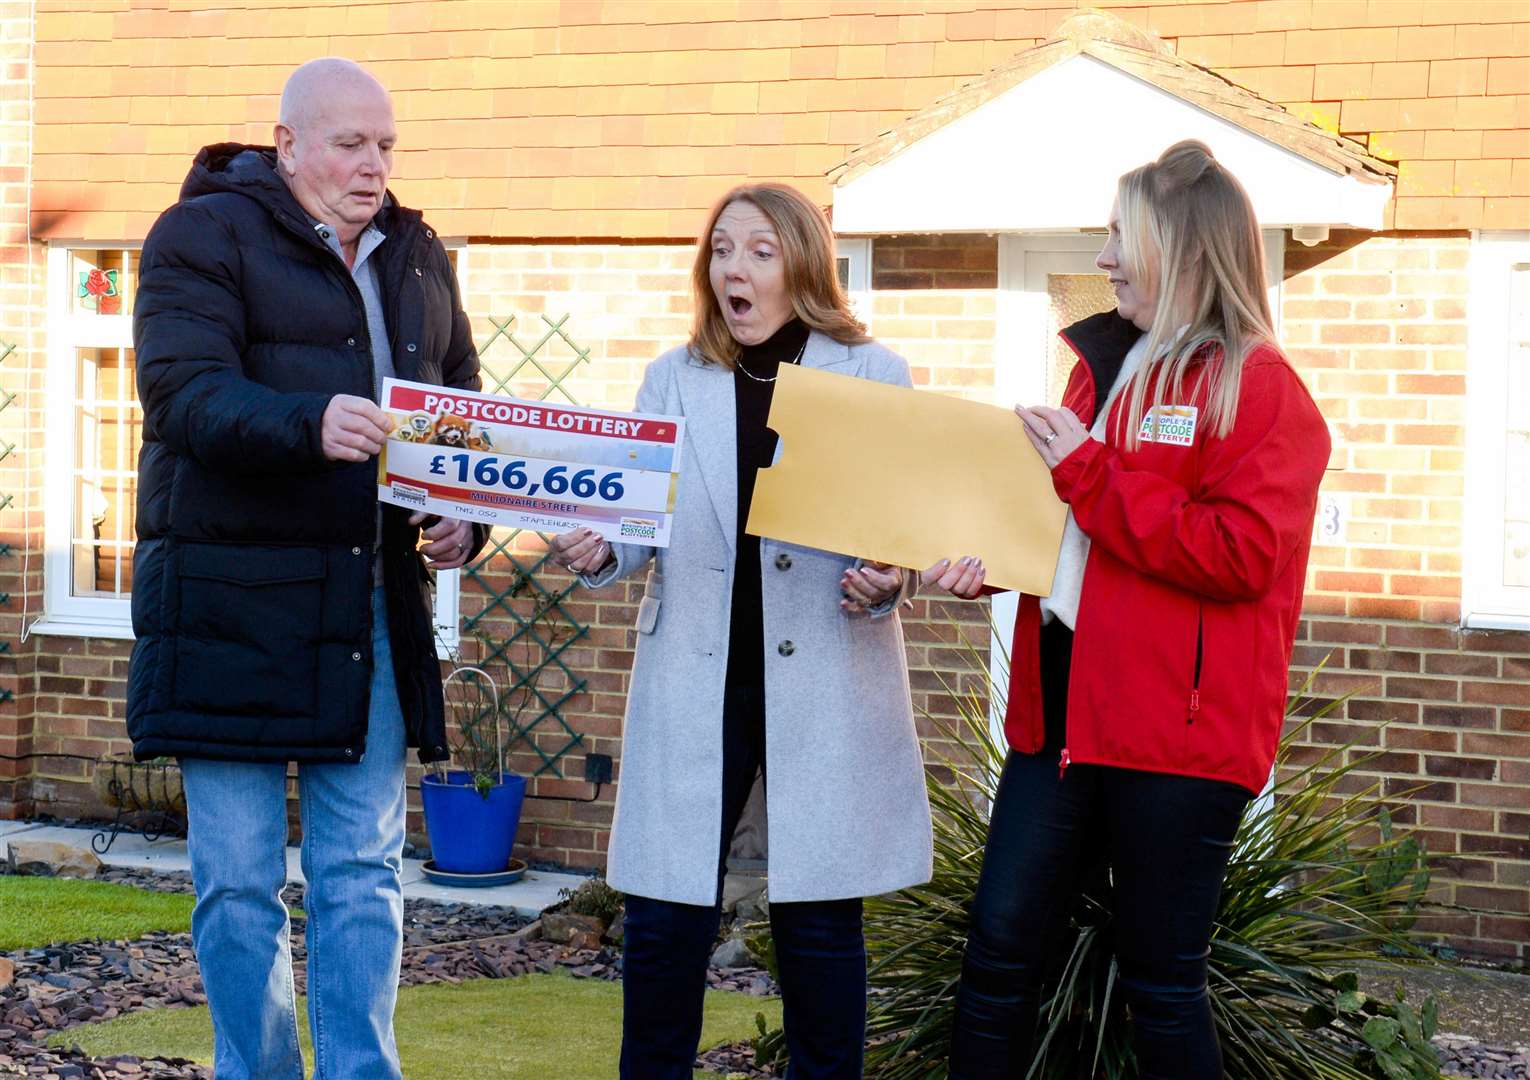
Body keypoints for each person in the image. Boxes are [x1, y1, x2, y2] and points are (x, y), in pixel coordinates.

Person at [927, 140, 1330, 1079]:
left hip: (1177, 735)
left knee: (1160, 980)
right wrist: (984, 560)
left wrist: (1086, 470)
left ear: (1183, 252)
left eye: (1120, 236)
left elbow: (1242, 555)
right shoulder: (1095, 367)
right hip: (1058, 714)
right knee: (994, 958)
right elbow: (1066, 534)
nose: (1102, 258)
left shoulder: (1261, 388)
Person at [128, 58, 485, 1080]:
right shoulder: (197, 236)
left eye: (386, 146)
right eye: (350, 144)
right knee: (237, 884)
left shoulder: (417, 255)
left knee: (363, 874)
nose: (374, 166)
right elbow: (182, 395)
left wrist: (460, 515)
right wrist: (309, 423)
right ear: (287, 145)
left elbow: (454, 404)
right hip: (226, 614)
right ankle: (261, 1070)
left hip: (371, 609)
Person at [549, 182, 933, 1079]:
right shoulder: (671, 378)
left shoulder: (874, 376)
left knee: (820, 922)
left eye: (759, 250)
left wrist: (889, 578)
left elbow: (904, 531)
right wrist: (596, 547)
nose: (735, 268)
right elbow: (633, 534)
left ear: (802, 264)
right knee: (664, 921)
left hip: (828, 674)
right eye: (723, 249)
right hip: (698, 673)